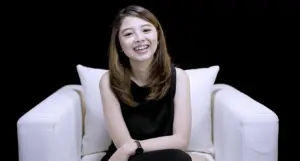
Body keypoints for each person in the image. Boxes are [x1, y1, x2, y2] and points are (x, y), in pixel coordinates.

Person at [99, 5, 206, 161]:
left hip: (167, 155)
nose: (139, 38)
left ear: (158, 36)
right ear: (119, 44)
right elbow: (124, 146)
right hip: (128, 158)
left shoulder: (179, 77)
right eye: (128, 34)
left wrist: (136, 145)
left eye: (146, 30)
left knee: (178, 157)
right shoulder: (108, 81)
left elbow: (181, 140)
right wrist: (132, 148)